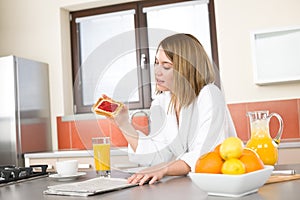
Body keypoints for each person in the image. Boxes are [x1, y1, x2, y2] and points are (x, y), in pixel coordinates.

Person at [111, 33, 237, 185]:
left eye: (166, 66)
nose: (157, 71)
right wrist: (123, 123)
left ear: (187, 69)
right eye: (156, 63)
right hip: (189, 186)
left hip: (221, 185)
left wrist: (164, 169)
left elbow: (204, 155)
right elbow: (158, 154)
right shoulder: (161, 101)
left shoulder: (209, 95)